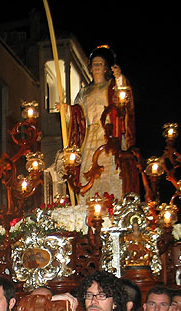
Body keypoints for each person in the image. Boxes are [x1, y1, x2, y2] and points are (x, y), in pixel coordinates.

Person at [65, 46, 136, 201]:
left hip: (109, 134)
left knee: (111, 170)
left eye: (100, 64)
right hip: (89, 137)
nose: (96, 67)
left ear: (106, 68)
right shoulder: (84, 92)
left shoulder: (111, 86)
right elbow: (78, 113)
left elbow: (123, 100)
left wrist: (119, 79)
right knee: (87, 170)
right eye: (94, 64)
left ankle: (112, 204)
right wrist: (67, 110)